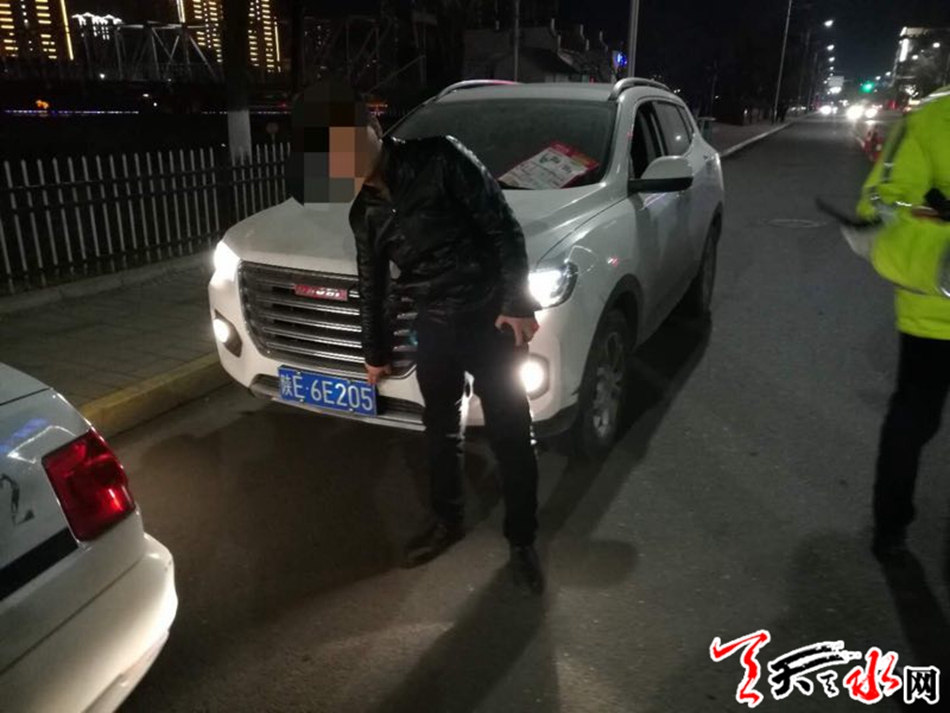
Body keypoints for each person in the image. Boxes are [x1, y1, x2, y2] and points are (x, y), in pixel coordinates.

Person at [291, 82, 545, 593]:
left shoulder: (441, 158)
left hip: (487, 320)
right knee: (440, 431)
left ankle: (522, 539)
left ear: (373, 128)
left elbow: (503, 227)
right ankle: (447, 522)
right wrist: (375, 352)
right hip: (434, 326)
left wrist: (517, 303)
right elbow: (373, 285)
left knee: (511, 432)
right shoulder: (364, 213)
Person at [849, 86, 950, 560]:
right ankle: (891, 525)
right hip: (934, 319)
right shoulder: (933, 120)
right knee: (915, 421)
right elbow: (878, 217)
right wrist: (944, 260)